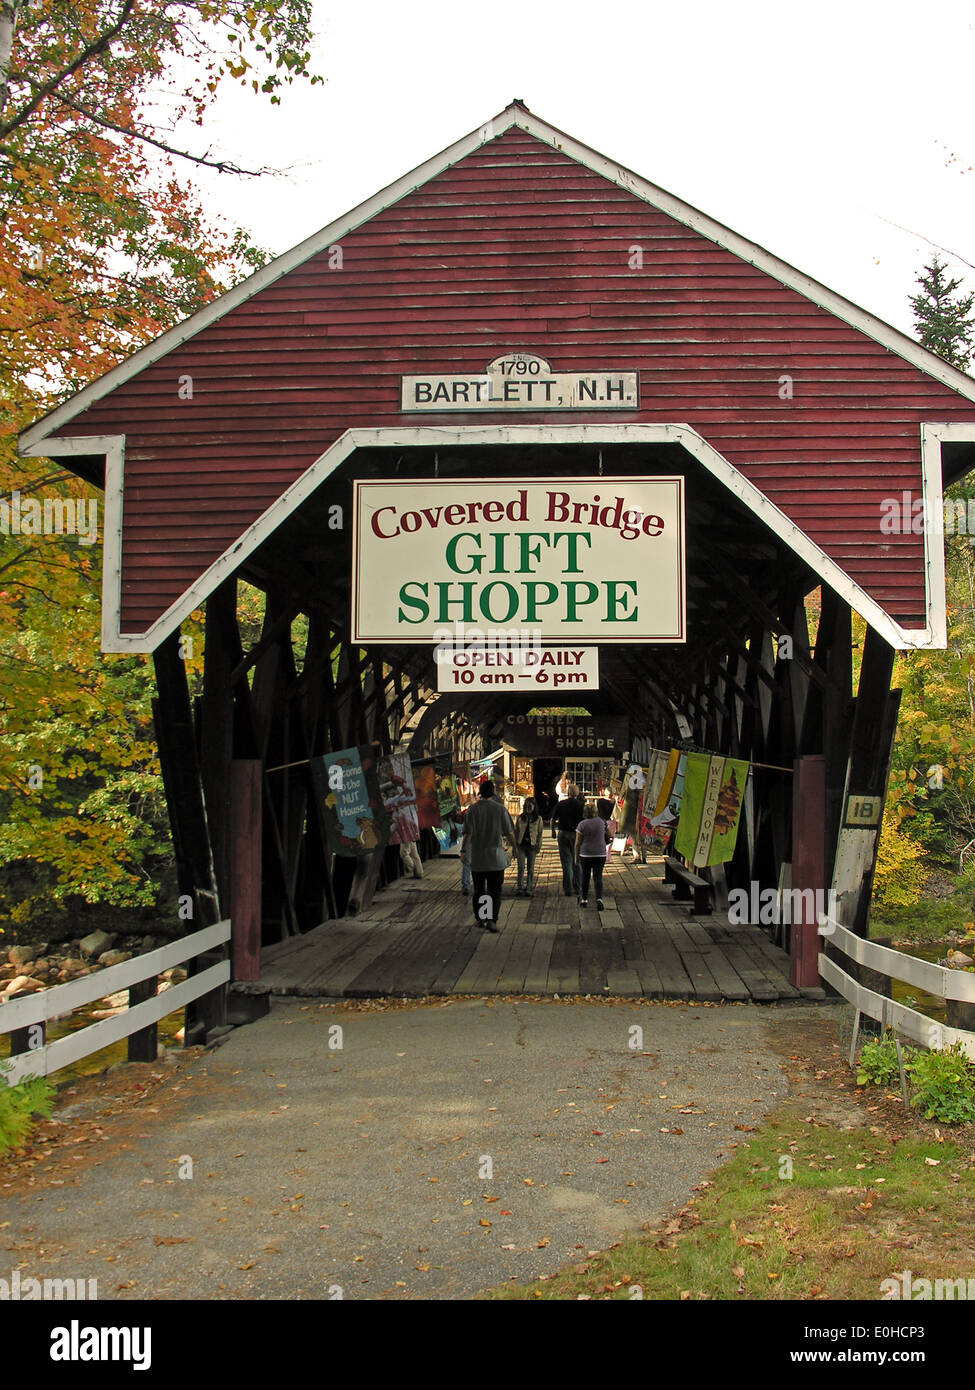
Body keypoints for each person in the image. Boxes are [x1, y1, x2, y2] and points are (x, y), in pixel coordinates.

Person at [460, 780, 515, 932]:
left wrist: (463, 851)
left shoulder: (472, 809)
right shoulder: (500, 809)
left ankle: (481, 918)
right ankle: (492, 920)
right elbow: (509, 832)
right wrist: (515, 848)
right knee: (494, 890)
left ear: (480, 792)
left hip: (478, 858)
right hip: (496, 858)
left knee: (479, 890)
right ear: (493, 791)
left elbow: (468, 834)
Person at [574, 802, 609, 910]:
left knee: (585, 877)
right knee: (598, 877)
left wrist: (576, 857)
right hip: (600, 853)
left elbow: (577, 843)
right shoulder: (602, 822)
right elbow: (611, 835)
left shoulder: (582, 824)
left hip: (586, 853)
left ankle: (584, 899)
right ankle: (599, 899)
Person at [551, 790, 585, 896]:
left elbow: (553, 819)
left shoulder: (561, 804)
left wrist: (552, 830)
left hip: (564, 833)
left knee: (566, 862)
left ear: (568, 793)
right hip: (577, 834)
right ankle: (578, 887)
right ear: (577, 794)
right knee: (577, 861)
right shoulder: (581, 805)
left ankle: (568, 888)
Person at [513, 796, 543, 895]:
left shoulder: (538, 819)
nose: (528, 808)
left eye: (530, 806)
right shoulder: (520, 818)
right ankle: (520, 887)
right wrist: (514, 845)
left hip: (532, 845)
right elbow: (516, 831)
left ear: (534, 807)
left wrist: (539, 846)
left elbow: (540, 833)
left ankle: (529, 887)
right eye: (526, 806)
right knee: (521, 867)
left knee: (530, 868)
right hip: (521, 844)